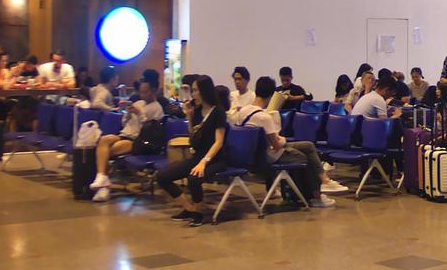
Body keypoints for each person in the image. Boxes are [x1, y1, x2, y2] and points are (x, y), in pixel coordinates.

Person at [231, 76, 344, 207]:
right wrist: (283, 139)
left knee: (308, 145)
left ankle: (324, 180)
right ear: (271, 95)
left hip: (253, 155)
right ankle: (316, 196)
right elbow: (277, 145)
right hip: (268, 156)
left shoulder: (243, 112)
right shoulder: (264, 117)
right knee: (305, 157)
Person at [155, 77, 229, 226]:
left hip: (215, 159)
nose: (193, 94)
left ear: (204, 91)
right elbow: (193, 137)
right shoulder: (197, 112)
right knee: (163, 176)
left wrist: (204, 162)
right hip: (198, 156)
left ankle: (199, 212)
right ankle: (189, 208)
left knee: (193, 178)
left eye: (195, 90)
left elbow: (218, 141)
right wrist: (189, 116)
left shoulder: (218, 112)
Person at [90, 79, 165, 202]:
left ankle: (103, 186)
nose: (142, 95)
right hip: (125, 133)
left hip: (138, 140)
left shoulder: (158, 109)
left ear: (153, 91)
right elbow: (125, 123)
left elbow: (148, 130)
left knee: (106, 152)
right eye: (141, 92)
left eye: (146, 92)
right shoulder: (139, 102)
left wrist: (140, 114)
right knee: (103, 140)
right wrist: (127, 113)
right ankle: (102, 178)